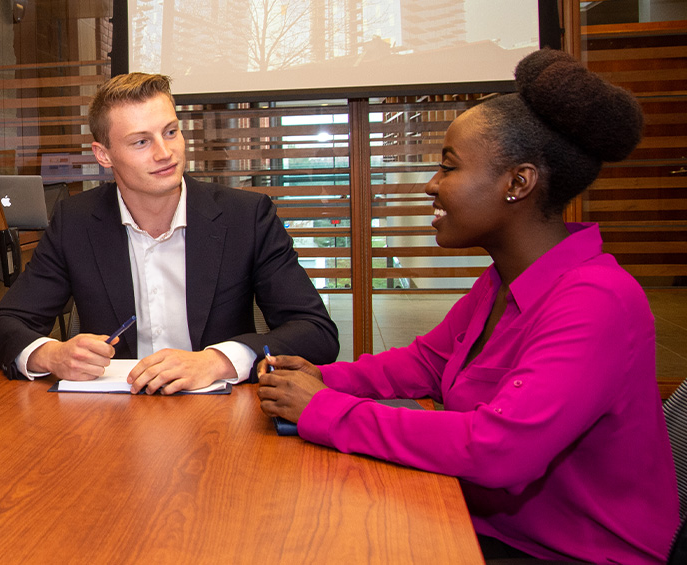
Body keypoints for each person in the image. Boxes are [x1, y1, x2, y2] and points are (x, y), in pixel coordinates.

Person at [257, 49, 676, 564]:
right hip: (483, 524)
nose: (432, 185)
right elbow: (425, 364)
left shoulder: (597, 301)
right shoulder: (502, 281)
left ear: (517, 184)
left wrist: (324, 409)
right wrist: (321, 378)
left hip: (567, 554)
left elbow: (499, 451)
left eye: (448, 167)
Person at [0, 72, 338, 393]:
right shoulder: (76, 222)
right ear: (104, 155)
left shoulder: (246, 216)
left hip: (223, 419)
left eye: (170, 132)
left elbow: (316, 333)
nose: (166, 153)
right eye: (141, 142)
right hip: (115, 422)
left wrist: (218, 361)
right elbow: (1, 327)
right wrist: (52, 354)